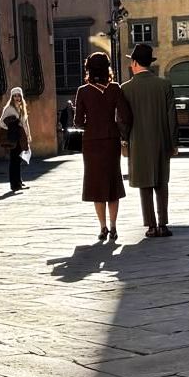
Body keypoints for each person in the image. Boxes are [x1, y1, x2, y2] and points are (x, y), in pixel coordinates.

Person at [121, 42, 178, 238]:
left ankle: (151, 225)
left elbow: (123, 120)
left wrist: (124, 141)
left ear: (135, 63)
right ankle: (163, 224)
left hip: (137, 142)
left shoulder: (125, 89)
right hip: (162, 140)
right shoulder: (164, 85)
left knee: (145, 185)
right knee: (162, 183)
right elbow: (172, 117)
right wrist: (173, 143)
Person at [74, 51, 132, 242]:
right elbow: (123, 115)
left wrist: (89, 123)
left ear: (88, 69)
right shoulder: (115, 88)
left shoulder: (82, 91)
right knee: (113, 182)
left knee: (96, 184)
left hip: (91, 142)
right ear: (108, 68)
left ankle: (103, 227)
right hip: (111, 140)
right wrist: (122, 133)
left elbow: (78, 122)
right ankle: (114, 226)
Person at [0, 87, 31, 193]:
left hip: (20, 137)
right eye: (15, 96)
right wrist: (11, 128)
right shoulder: (9, 108)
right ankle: (14, 184)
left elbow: (25, 123)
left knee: (18, 160)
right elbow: (1, 122)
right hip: (14, 138)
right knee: (14, 160)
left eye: (19, 95)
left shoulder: (22, 107)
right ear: (12, 97)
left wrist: (28, 135)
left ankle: (18, 181)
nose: (17, 98)